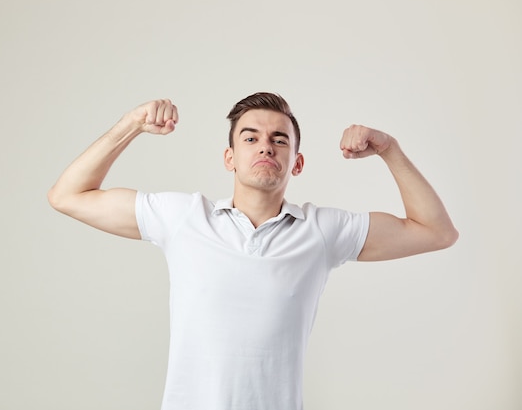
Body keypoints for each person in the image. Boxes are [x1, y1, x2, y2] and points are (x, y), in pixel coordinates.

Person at [48, 92, 458, 410]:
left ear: (296, 163)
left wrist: (390, 149)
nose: (266, 147)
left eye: (280, 140)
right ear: (230, 157)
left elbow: (436, 232)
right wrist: (132, 123)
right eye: (251, 138)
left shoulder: (322, 231)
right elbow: (68, 195)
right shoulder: (183, 217)